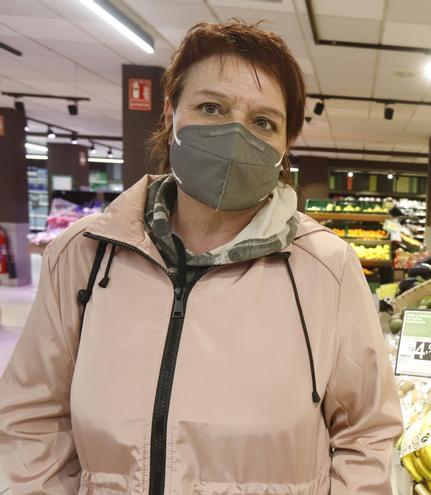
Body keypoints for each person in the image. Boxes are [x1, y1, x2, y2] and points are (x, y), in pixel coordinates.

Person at [0, 20, 402, 494]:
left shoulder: (327, 269)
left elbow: (367, 436)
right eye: (211, 108)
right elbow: (32, 424)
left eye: (263, 122)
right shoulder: (84, 255)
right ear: (171, 113)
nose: (235, 136)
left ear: (284, 146)